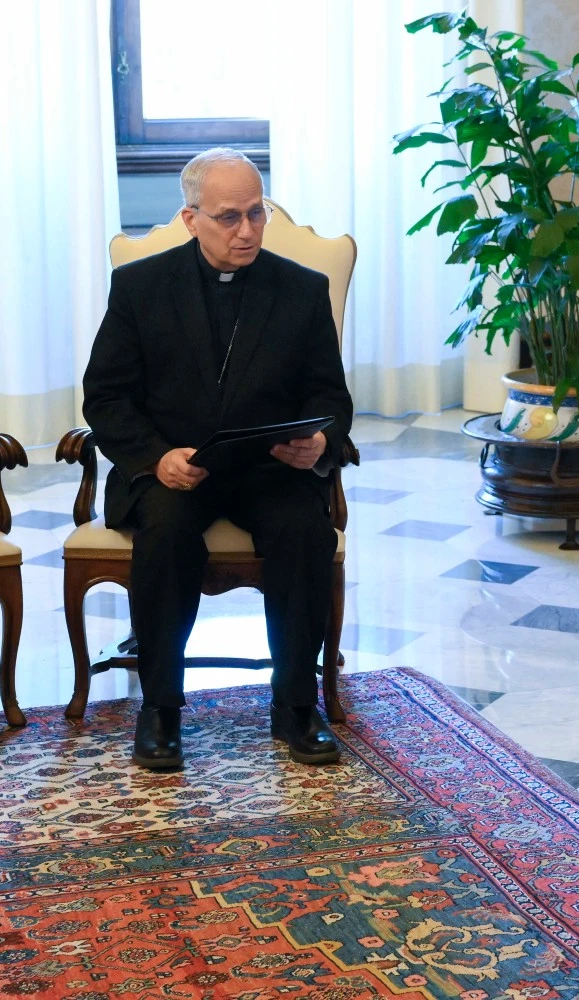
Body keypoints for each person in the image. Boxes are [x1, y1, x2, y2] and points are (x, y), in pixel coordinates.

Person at [82, 147, 353, 770]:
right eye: (229, 217)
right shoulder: (140, 287)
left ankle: (296, 706)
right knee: (169, 533)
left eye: (256, 213)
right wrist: (155, 458)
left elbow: (329, 396)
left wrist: (320, 441)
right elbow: (107, 396)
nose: (248, 230)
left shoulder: (302, 289)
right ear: (190, 218)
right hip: (177, 469)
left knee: (302, 529)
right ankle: (161, 710)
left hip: (269, 468)